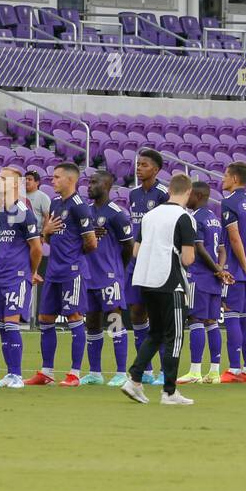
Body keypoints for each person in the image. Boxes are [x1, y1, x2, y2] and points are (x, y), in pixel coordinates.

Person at [120, 173, 199, 406]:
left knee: (155, 333)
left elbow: (136, 251)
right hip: (170, 282)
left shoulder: (149, 215)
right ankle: (169, 392)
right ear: (188, 192)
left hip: (146, 279)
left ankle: (134, 380)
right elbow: (187, 258)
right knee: (174, 337)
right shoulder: (185, 218)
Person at [26, 161, 97, 386]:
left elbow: (92, 243)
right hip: (54, 270)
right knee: (45, 318)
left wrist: (73, 257)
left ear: (70, 180)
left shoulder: (80, 206)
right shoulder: (55, 204)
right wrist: (45, 232)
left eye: (56, 177)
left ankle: (74, 374)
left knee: (74, 317)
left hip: (72, 272)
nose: (52, 181)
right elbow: (49, 237)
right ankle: (47, 372)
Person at [80, 169, 135, 387]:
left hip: (109, 276)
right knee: (92, 323)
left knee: (115, 322)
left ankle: (121, 372)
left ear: (106, 186)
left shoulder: (117, 214)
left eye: (94, 183)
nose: (89, 186)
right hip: (89, 275)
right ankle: (95, 372)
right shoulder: (85, 211)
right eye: (89, 182)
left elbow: (129, 247)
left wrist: (116, 270)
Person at [0, 167, 43, 389]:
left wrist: (29, 272)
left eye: (2, 179)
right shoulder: (0, 211)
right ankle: (10, 372)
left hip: (16, 275)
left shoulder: (24, 210)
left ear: (13, 184)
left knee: (11, 324)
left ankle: (17, 375)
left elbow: (36, 248)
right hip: (0, 274)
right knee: (2, 326)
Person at [177, 183, 235, 385]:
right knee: (212, 322)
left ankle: (194, 371)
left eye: (190, 194)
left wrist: (218, 270)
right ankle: (214, 372)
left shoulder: (194, 218)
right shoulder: (214, 219)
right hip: (213, 279)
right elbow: (222, 249)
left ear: (198, 195)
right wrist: (219, 270)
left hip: (200, 276)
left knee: (196, 320)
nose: (187, 197)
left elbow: (199, 248)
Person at [218, 161, 246, 382]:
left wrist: (245, 267)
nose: (223, 179)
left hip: (236, 269)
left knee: (232, 316)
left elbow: (234, 237)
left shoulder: (229, 203)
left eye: (226, 175)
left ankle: (234, 369)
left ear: (235, 179)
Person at [125, 150, 168, 383]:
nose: (139, 168)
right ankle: (147, 370)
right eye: (138, 164)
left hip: (154, 261)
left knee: (156, 314)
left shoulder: (163, 194)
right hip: (136, 260)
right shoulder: (133, 194)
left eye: (144, 165)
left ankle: (163, 370)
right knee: (137, 312)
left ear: (156, 169)